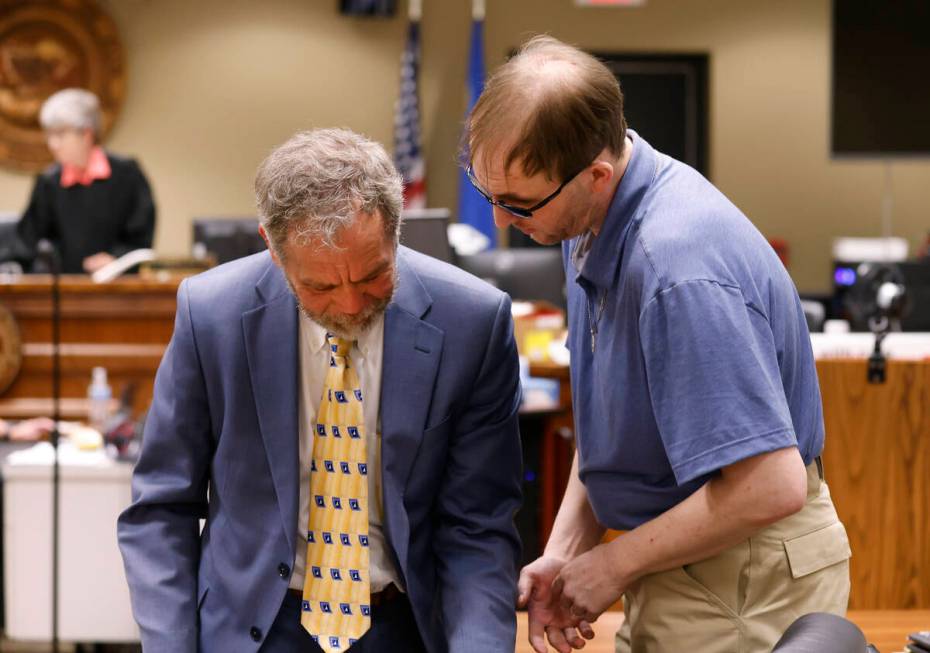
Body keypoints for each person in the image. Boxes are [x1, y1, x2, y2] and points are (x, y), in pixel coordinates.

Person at [464, 36, 851, 653]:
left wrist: (613, 566)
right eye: (487, 193)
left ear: (594, 174)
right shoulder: (587, 216)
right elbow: (616, 433)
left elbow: (770, 485)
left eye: (515, 202)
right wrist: (565, 553)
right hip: (687, 550)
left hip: (742, 574)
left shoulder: (677, 270)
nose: (501, 222)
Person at [117, 128, 522, 653]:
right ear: (273, 248)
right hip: (251, 626)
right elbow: (162, 508)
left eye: (374, 275)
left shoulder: (472, 321)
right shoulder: (211, 315)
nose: (351, 306)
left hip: (404, 624)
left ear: (396, 232)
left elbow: (478, 526)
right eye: (321, 287)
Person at [14, 88, 155, 274]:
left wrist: (116, 258)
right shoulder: (48, 182)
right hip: (64, 290)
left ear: (86, 134)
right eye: (49, 135)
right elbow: (28, 241)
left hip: (117, 287)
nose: (52, 144)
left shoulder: (127, 174)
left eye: (61, 134)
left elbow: (141, 236)